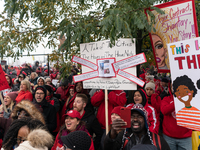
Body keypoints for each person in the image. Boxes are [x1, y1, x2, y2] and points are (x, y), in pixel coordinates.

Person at [104, 104, 170, 150]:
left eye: (139, 116)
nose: (135, 119)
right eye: (132, 116)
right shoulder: (123, 136)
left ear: (145, 120)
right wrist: (112, 134)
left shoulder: (157, 140)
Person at [161, 81, 193, 150]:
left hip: (185, 138)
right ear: (170, 88)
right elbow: (164, 111)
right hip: (169, 137)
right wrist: (178, 100)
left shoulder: (191, 100)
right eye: (173, 86)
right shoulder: (166, 99)